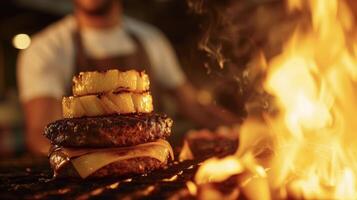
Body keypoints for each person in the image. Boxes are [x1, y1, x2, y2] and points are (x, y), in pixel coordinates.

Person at [17, 0, 240, 155]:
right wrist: (93, 158)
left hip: (151, 167)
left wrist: (245, 128)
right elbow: (40, 133)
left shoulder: (151, 40)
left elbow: (194, 105)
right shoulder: (46, 49)